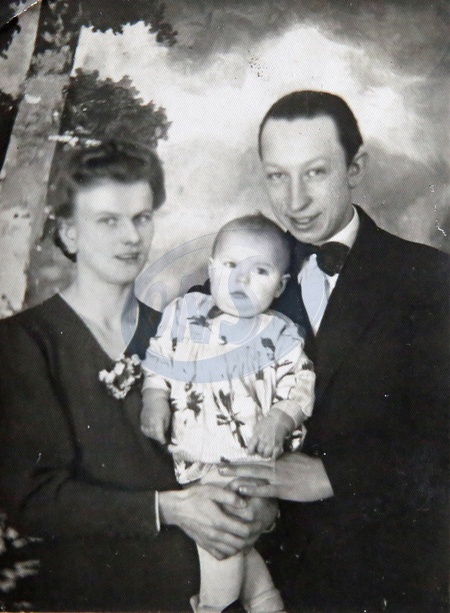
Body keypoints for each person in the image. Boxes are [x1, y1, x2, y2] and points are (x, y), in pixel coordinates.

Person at [0, 142, 277, 611]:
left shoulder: (187, 333)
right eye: (108, 221)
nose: (131, 237)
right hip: (88, 596)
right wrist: (167, 508)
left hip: (200, 592)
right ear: (69, 233)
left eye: (141, 218)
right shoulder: (24, 342)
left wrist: (258, 510)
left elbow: (235, 440)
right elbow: (33, 500)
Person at [216, 91, 449, 612]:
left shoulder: (432, 279)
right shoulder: (231, 280)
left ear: (355, 167)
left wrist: (332, 476)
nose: (294, 200)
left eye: (315, 173)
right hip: (262, 578)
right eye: (277, 176)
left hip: (388, 581)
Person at [140, 214, 316, 613]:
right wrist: (155, 397)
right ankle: (265, 602)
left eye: (260, 271)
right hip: (193, 458)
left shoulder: (280, 335)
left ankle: (214, 606)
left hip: (247, 460)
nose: (241, 280)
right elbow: (159, 359)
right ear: (211, 269)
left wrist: (280, 418)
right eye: (231, 265)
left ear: (280, 286)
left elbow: (301, 384)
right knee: (234, 541)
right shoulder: (184, 313)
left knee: (221, 534)